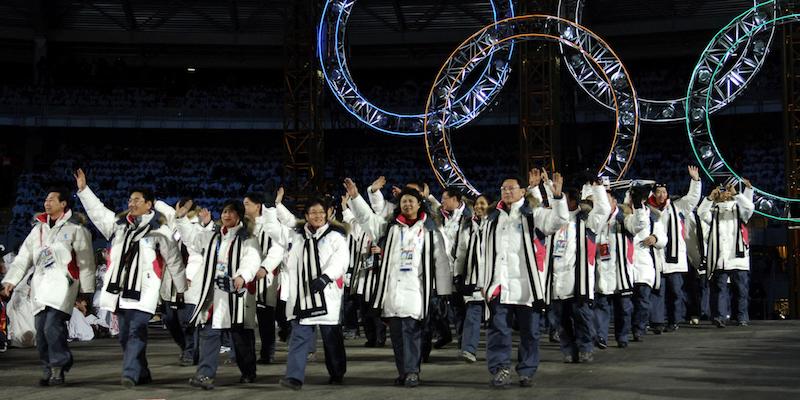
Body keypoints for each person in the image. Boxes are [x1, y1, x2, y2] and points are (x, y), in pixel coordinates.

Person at [75, 169, 186, 388]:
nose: (132, 203)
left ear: (149, 205)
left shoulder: (160, 231)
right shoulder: (119, 225)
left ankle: (130, 373)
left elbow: (173, 260)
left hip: (144, 291)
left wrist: (182, 287)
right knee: (125, 336)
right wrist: (83, 190)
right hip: (120, 291)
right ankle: (142, 372)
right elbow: (98, 212)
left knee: (136, 332)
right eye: (130, 200)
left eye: (137, 200)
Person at [345, 179, 452, 388]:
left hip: (416, 291)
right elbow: (367, 218)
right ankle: (404, 372)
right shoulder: (390, 227)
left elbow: (441, 261)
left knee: (411, 333)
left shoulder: (430, 230)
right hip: (392, 292)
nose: (407, 204)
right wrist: (356, 197)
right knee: (397, 337)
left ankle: (412, 371)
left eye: (411, 201)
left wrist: (443, 292)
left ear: (419, 203)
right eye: (404, 201)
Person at [482, 172, 569, 388]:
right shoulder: (493, 217)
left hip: (528, 287)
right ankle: (500, 368)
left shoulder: (534, 214)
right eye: (503, 188)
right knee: (498, 330)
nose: (507, 191)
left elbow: (557, 222)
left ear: (522, 191)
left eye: (512, 188)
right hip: (500, 285)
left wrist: (557, 199)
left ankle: (527, 370)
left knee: (530, 332)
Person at [1, 188, 95, 385]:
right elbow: (23, 258)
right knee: (41, 330)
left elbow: (86, 263)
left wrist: (87, 293)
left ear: (63, 204)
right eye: (46, 199)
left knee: (52, 326)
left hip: (63, 286)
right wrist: (9, 281)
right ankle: (49, 367)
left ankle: (57, 368)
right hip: (41, 287)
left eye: (52, 199)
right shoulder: (38, 230)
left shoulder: (76, 229)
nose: (47, 202)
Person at [175, 199, 262, 389]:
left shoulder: (247, 238)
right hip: (213, 295)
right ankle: (205, 375)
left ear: (238, 216)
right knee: (209, 333)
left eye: (231, 212)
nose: (226, 215)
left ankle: (248, 371)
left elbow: (252, 259)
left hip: (236, 296)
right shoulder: (213, 237)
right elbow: (193, 240)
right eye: (224, 212)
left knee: (240, 339)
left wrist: (242, 276)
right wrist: (181, 219)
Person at [264, 197, 349, 390]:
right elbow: (274, 230)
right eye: (313, 212)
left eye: (321, 212)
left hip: (326, 295)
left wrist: (326, 277)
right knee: (299, 337)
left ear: (327, 214)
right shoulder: (297, 236)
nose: (317, 216)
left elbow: (342, 260)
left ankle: (337, 372)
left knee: (331, 339)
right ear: (306, 216)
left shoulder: (335, 236)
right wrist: (269, 208)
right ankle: (294, 377)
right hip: (303, 296)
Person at [549, 181, 611, 364]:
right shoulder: (554, 221)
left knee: (582, 318)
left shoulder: (586, 219)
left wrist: (598, 188)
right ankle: (568, 349)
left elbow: (603, 210)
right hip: (557, 280)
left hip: (579, 281)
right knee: (561, 321)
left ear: (574, 200)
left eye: (565, 198)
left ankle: (585, 348)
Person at [647, 166, 702, 332]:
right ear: (654, 194)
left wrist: (695, 180)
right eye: (659, 192)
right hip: (656, 258)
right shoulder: (647, 210)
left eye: (664, 192)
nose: (662, 195)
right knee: (657, 291)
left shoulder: (677, 207)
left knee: (675, 292)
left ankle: (673, 321)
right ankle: (657, 322)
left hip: (674, 259)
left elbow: (692, 199)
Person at [594, 188, 649, 349]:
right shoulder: (596, 220)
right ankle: (601, 336)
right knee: (601, 306)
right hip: (602, 270)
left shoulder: (624, 218)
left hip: (621, 272)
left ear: (613, 202)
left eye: (606, 200)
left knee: (624, 308)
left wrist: (638, 206)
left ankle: (622, 336)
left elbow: (639, 224)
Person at [697, 180, 755, 328]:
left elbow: (750, 207)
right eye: (721, 191)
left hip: (737, 257)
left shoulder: (739, 208)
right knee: (719, 289)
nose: (724, 194)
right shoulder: (713, 210)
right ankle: (719, 317)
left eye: (727, 191)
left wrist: (737, 194)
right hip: (719, 257)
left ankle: (741, 317)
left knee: (741, 290)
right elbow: (701, 213)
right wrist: (709, 198)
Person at [242, 192, 284, 365]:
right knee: (246, 317)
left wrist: (265, 267)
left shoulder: (270, 225)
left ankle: (268, 352)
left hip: (265, 276)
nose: (244, 207)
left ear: (257, 206)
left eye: (247, 204)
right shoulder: (244, 226)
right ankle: (247, 353)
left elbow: (278, 248)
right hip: (247, 276)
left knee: (266, 315)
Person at [453, 194, 491, 363]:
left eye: (483, 203)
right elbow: (461, 251)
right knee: (473, 314)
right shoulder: (467, 225)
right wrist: (457, 274)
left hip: (492, 278)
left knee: (496, 318)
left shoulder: (496, 224)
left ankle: (495, 351)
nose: (479, 206)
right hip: (473, 277)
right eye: (477, 204)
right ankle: (469, 349)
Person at [628, 185, 667, 342]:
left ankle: (639, 328)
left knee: (643, 300)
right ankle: (627, 328)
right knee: (628, 303)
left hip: (644, 264)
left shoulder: (652, 217)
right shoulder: (624, 215)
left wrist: (655, 239)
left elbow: (663, 238)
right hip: (627, 264)